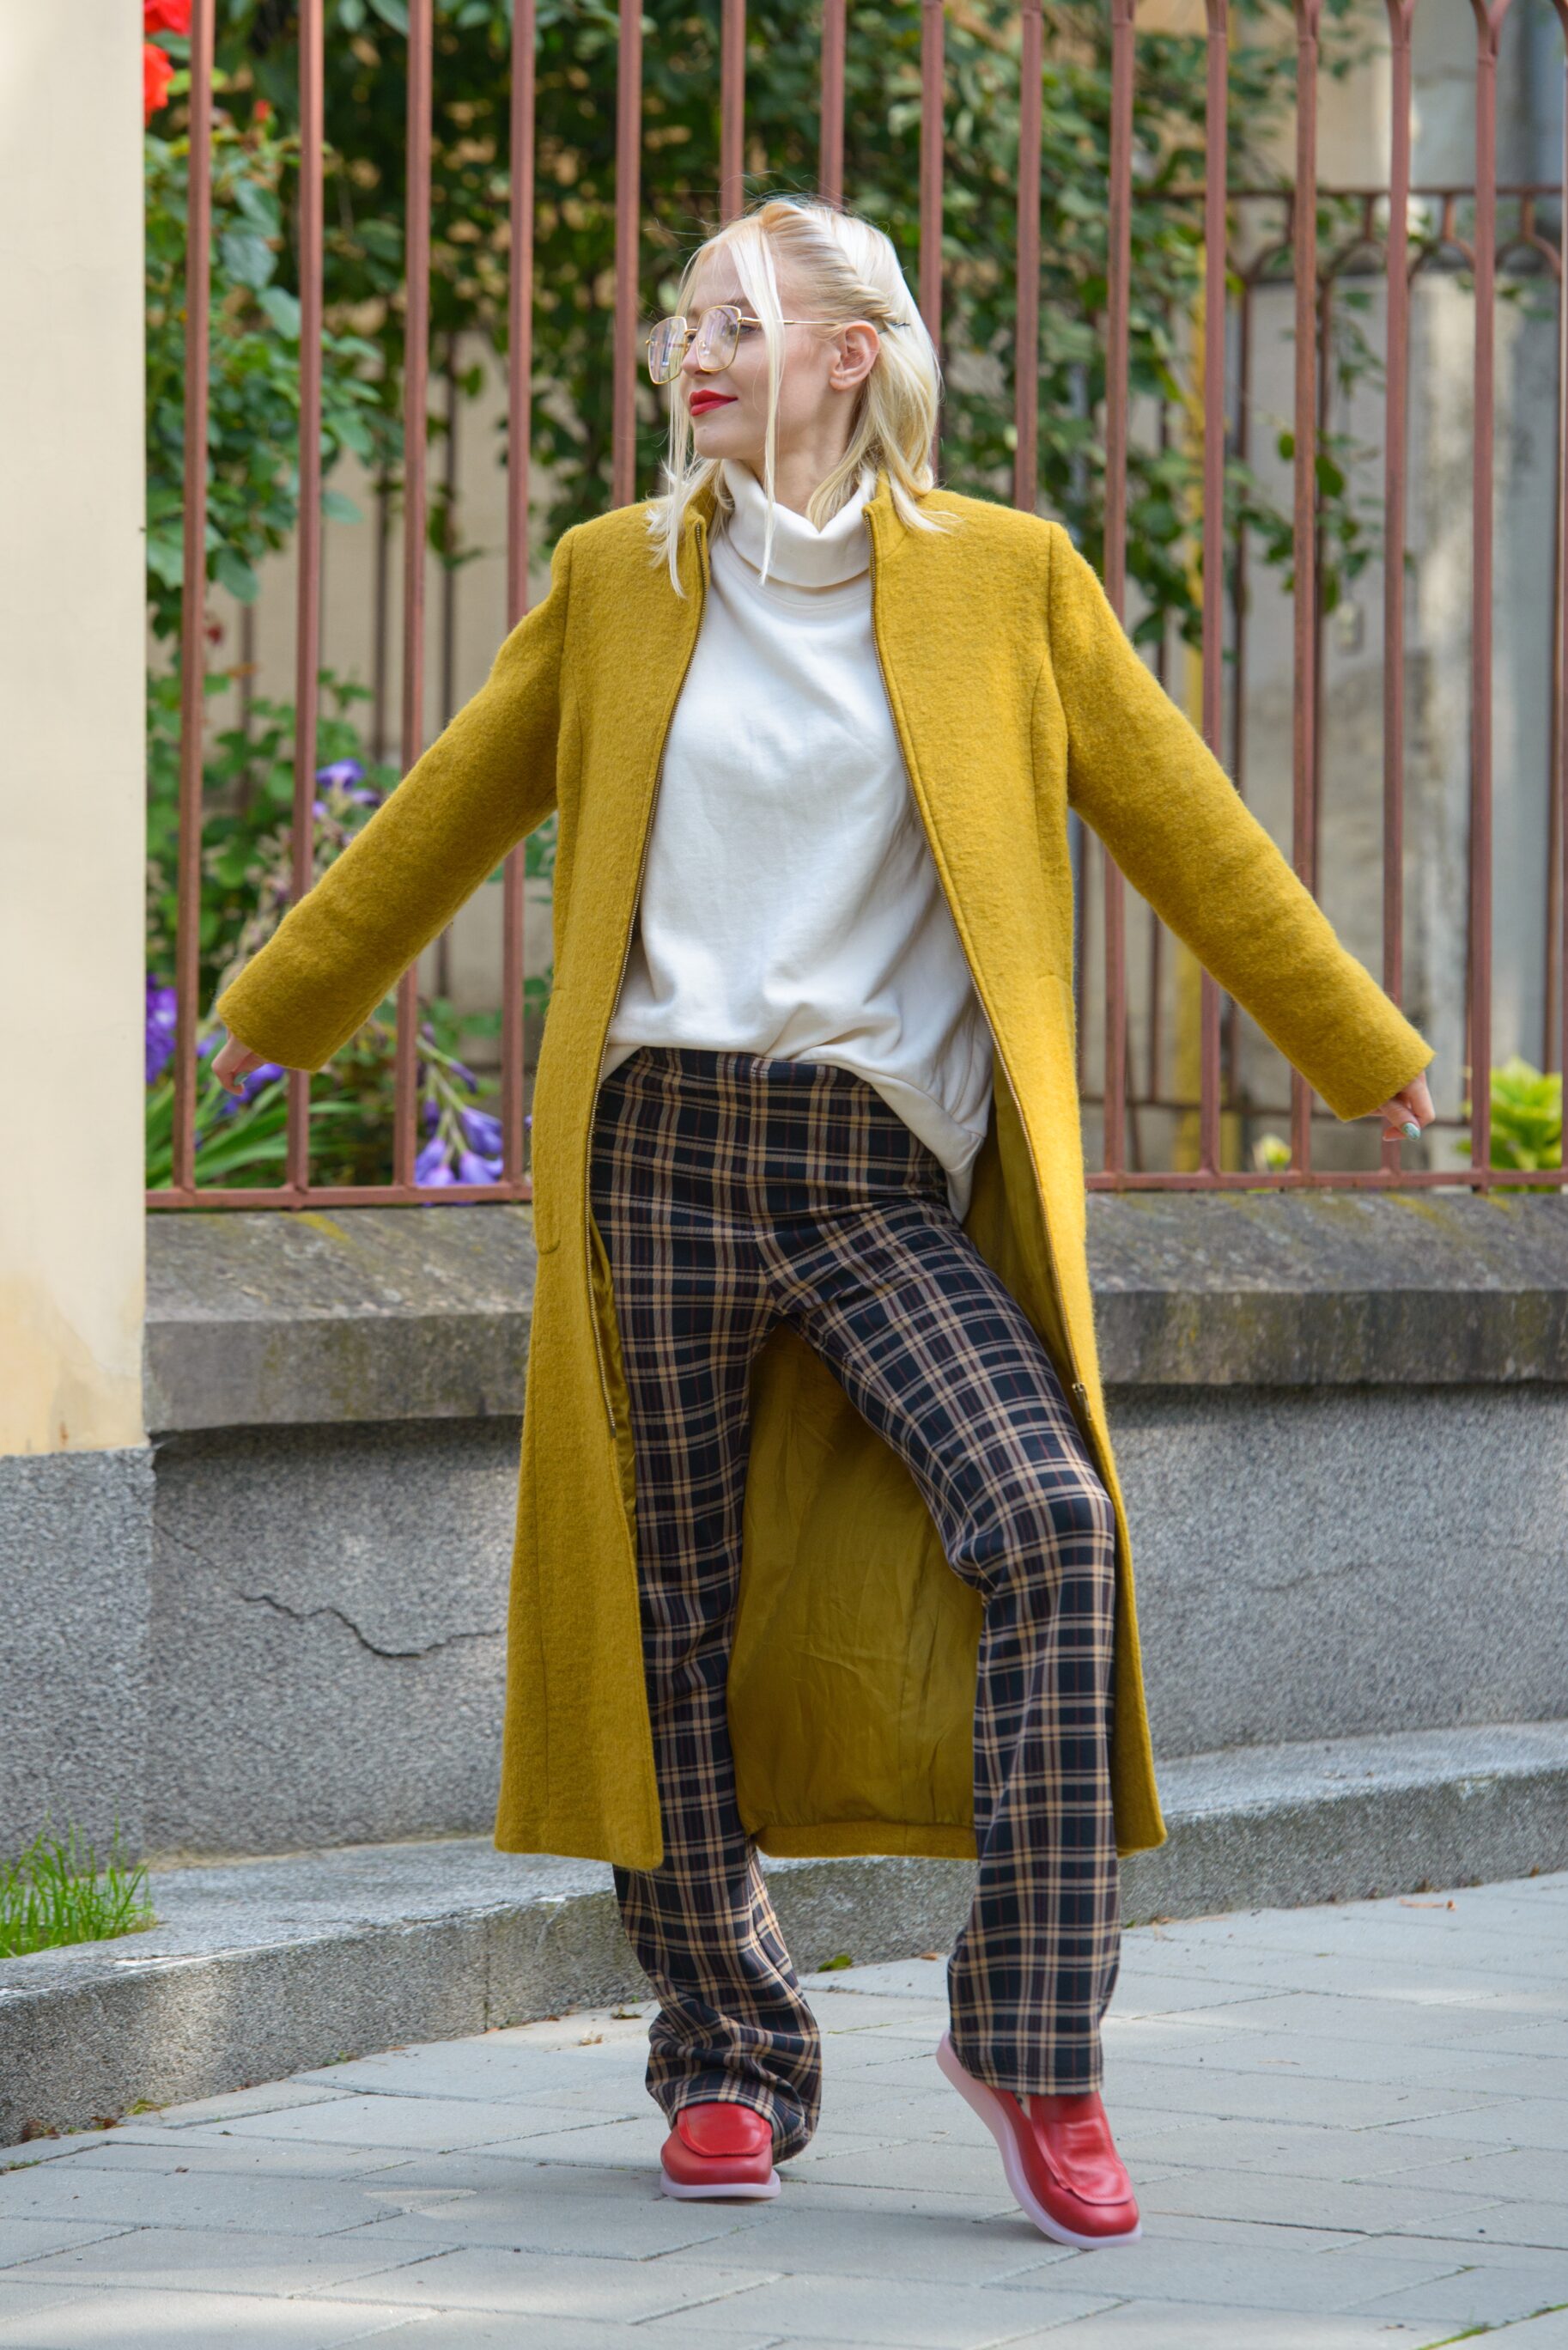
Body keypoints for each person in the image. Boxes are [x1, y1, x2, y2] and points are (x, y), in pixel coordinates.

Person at [212, 194, 1436, 2245]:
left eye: (735, 321)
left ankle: (1033, 2042)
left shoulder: (1005, 585)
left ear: (852, 350)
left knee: (1047, 1521)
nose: (689, 355)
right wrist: (272, 1014)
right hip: (658, 1154)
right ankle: (724, 2056)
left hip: (875, 1172)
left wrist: (1353, 1042)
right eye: (680, 324)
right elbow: (449, 799)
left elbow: (1180, 811)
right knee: (663, 1608)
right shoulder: (621, 579)